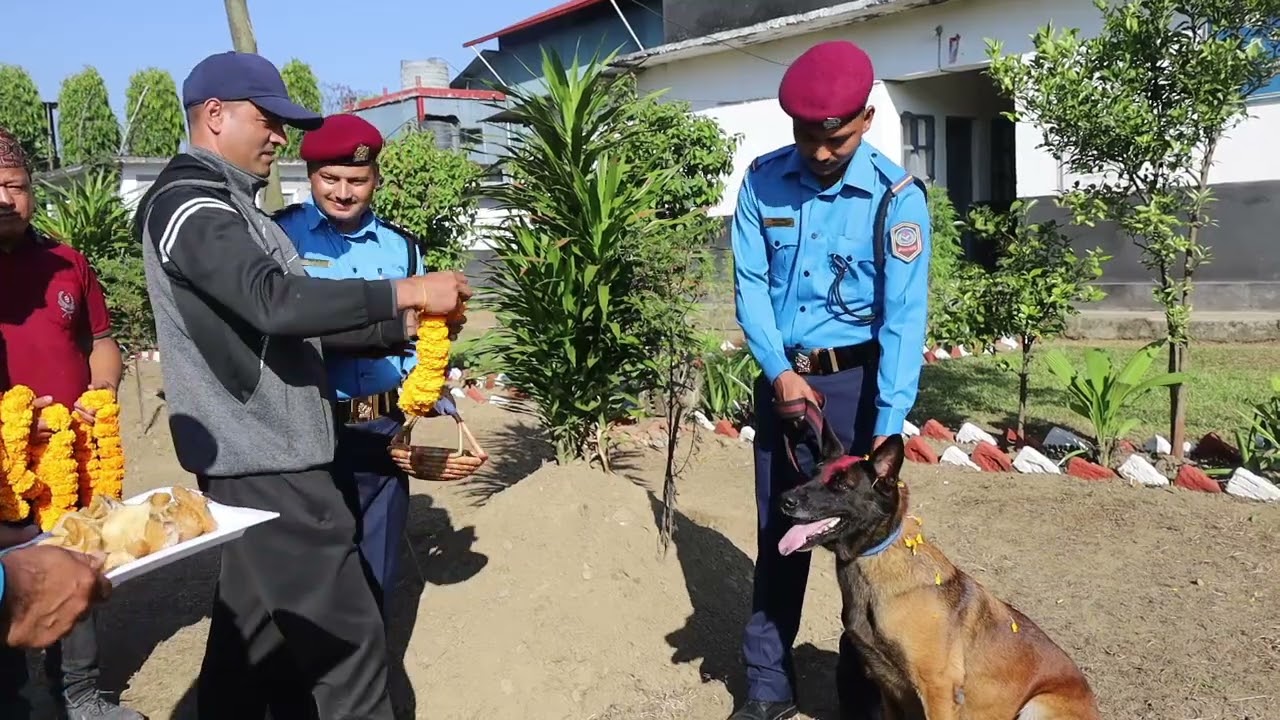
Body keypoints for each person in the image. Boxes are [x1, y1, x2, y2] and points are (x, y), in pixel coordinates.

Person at [133, 52, 470, 720]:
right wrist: (405, 289)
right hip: (267, 456)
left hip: (268, 453)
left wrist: (405, 320)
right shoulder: (189, 203)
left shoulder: (234, 204)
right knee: (351, 644)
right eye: (270, 120)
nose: (281, 138)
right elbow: (273, 303)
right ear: (216, 115)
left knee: (249, 636)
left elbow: (289, 329)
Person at [727, 40, 932, 720]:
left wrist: (886, 425)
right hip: (786, 386)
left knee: (864, 543)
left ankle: (862, 692)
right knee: (780, 531)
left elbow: (904, 318)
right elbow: (750, 287)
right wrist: (777, 369)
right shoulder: (761, 182)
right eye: (807, 136)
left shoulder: (896, 199)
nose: (819, 152)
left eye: (835, 138)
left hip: (859, 388)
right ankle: (766, 688)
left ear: (866, 120)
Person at [276, 114, 460, 617]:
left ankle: (368, 679)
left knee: (377, 560)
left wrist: (434, 383)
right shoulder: (281, 240)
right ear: (309, 175)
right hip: (310, 426)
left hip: (382, 427)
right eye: (329, 179)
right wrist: (391, 330)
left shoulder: (401, 247)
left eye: (356, 181)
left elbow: (426, 329)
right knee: (314, 564)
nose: (342, 192)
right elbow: (286, 326)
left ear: (375, 179)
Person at [0, 125, 139, 719]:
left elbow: (102, 342)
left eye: (16, 185)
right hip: (3, 470)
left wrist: (101, 388)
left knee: (78, 563)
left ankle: (79, 694)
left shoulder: (67, 263)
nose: (5, 198)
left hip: (72, 456)